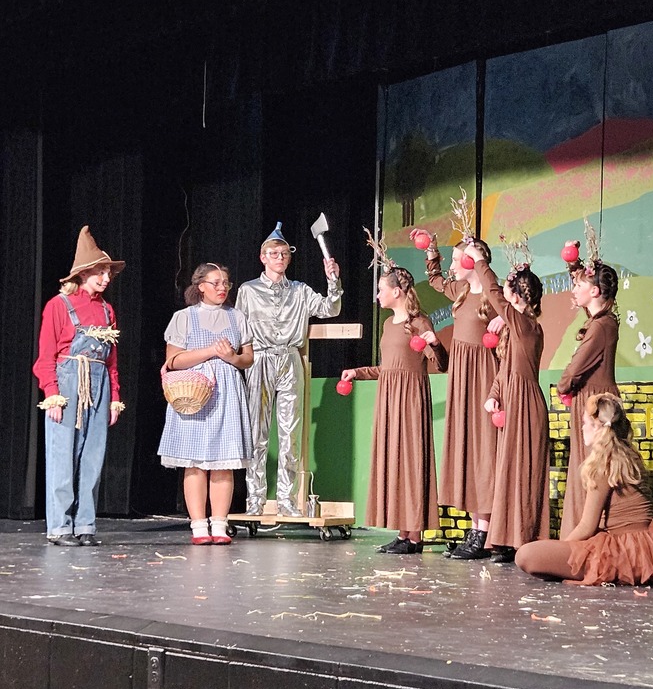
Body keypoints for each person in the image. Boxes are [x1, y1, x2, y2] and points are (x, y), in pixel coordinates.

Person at [515, 393, 653, 589]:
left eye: (585, 423)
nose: (582, 427)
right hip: (644, 547)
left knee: (525, 554)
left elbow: (587, 526)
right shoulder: (627, 456)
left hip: (623, 550)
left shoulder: (604, 464)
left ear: (597, 427)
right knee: (545, 556)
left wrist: (566, 549)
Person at [340, 255, 448, 554]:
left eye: (381, 289)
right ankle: (404, 533)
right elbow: (389, 368)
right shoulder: (388, 324)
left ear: (396, 291)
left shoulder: (418, 322)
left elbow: (441, 365)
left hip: (411, 399)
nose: (377, 294)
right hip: (389, 398)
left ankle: (415, 536)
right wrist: (358, 373)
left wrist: (435, 344)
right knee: (395, 461)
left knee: (412, 461)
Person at [235, 223, 341, 517]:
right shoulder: (248, 290)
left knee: (290, 433)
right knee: (257, 433)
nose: (279, 257)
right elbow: (238, 329)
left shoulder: (300, 291)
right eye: (273, 253)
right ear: (263, 258)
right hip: (259, 359)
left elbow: (330, 308)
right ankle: (254, 501)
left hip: (290, 360)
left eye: (283, 253)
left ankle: (286, 500)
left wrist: (333, 282)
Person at [33, 226, 125, 546]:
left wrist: (114, 397)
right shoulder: (59, 305)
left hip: (97, 383)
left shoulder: (106, 310)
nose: (106, 278)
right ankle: (60, 526)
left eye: (108, 273)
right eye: (101, 272)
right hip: (68, 381)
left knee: (93, 455)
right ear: (85, 273)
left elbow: (111, 361)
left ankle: (85, 524)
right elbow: (45, 356)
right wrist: (52, 394)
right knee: (62, 455)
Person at [414, 232, 501, 560]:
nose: (452, 265)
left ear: (472, 260)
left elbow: (517, 312)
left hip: (484, 375)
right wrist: (432, 251)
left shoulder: (493, 293)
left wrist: (503, 318)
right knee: (468, 447)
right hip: (463, 375)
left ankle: (488, 530)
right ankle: (477, 527)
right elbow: (436, 280)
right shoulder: (462, 290)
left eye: (456, 258)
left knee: (484, 451)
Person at [157, 263, 253, 545]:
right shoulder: (184, 317)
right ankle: (199, 525)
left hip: (227, 391)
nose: (222, 288)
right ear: (200, 286)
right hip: (194, 391)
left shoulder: (237, 317)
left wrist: (233, 359)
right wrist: (211, 351)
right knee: (195, 462)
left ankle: (220, 524)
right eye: (216, 283)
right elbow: (173, 360)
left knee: (223, 462)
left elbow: (248, 357)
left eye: (226, 283)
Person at [466, 242, 550, 561]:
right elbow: (505, 369)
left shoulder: (527, 325)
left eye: (507, 291)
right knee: (507, 474)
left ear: (516, 295)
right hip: (512, 400)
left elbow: (493, 295)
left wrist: (481, 263)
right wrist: (493, 396)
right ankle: (504, 539)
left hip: (526, 405)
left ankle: (522, 540)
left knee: (522, 473)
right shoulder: (514, 327)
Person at [557, 236, 620, 538]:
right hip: (590, 398)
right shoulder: (601, 321)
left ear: (595, 291)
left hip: (595, 402)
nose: (574, 290)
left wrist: (563, 385)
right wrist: (574, 265)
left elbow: (578, 364)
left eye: (579, 285)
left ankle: (585, 537)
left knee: (589, 470)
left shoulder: (601, 326)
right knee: (584, 466)